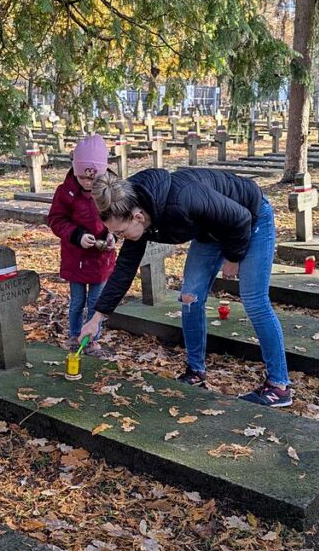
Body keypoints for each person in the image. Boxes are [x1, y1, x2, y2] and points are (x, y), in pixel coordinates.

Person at [79, 168, 293, 407]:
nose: (118, 237)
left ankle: (279, 385)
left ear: (138, 217)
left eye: (120, 232)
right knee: (190, 297)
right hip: (210, 228)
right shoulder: (138, 213)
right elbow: (124, 270)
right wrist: (97, 317)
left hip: (250, 217)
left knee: (254, 300)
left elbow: (239, 218)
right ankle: (196, 371)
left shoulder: (182, 200)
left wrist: (234, 257)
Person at [46, 135, 117, 355]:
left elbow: (117, 215)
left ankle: (92, 339)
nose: (87, 183)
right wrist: (77, 236)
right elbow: (56, 220)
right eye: (82, 177)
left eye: (92, 178)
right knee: (77, 302)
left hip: (100, 258)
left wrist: (112, 235)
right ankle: (75, 335)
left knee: (96, 302)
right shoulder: (65, 192)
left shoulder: (110, 189)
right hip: (75, 257)